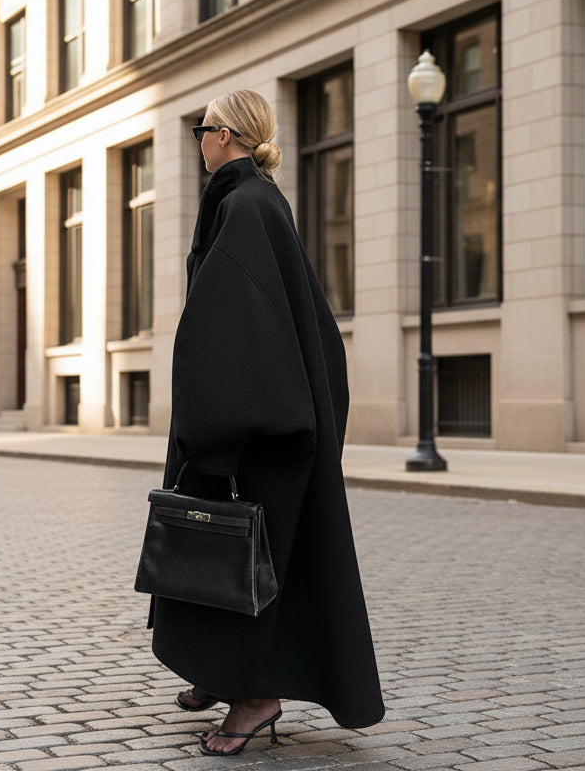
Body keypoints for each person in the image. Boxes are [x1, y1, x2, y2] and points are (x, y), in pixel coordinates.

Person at [149, 89, 384, 756]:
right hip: (265, 421)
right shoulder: (250, 200)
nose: (196, 139)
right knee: (225, 554)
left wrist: (213, 434)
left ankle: (254, 698)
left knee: (240, 557)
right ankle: (215, 671)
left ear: (223, 136)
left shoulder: (246, 206)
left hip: (257, 429)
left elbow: (233, 330)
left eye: (200, 129)